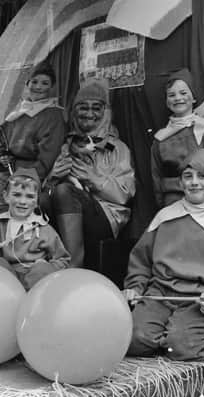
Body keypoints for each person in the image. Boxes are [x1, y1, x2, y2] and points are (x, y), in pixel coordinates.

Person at [122, 149, 204, 361]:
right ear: (181, 182)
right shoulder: (165, 217)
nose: (194, 183)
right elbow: (141, 261)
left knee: (182, 348)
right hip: (160, 295)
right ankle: (168, 333)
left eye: (202, 176)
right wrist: (135, 287)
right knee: (134, 340)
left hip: (199, 300)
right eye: (188, 176)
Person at [41, 78, 136, 267]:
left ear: (105, 112)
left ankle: (73, 268)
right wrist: (52, 177)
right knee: (41, 198)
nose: (89, 113)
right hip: (68, 207)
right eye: (83, 107)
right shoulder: (66, 144)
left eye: (96, 108)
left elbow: (124, 195)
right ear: (75, 111)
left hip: (107, 216)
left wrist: (92, 179)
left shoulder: (117, 148)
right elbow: (50, 190)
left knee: (65, 192)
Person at [0, 61, 67, 227]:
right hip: (8, 174)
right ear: (27, 84)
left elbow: (48, 157)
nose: (38, 87)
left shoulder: (54, 116)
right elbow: (1, 144)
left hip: (34, 178)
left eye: (45, 83)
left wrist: (27, 180)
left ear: (52, 87)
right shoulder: (16, 113)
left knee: (23, 222)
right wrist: (2, 159)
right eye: (34, 82)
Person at [0, 168, 70, 290]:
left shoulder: (44, 229)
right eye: (17, 195)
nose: (23, 202)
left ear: (36, 202)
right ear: (6, 197)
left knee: (41, 270)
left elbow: (63, 259)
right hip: (6, 280)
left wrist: (47, 266)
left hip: (34, 281)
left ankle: (28, 299)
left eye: (29, 196)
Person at [150, 68, 204, 209]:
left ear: (193, 97)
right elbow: (156, 175)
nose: (178, 98)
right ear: (167, 101)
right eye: (171, 95)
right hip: (172, 201)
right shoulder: (160, 139)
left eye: (183, 93)